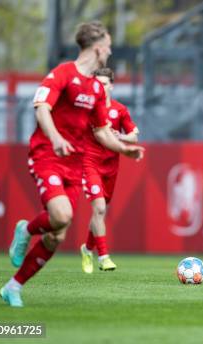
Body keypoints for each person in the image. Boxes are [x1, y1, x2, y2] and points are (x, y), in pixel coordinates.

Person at [1, 21, 144, 307]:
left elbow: (102, 132)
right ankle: (26, 231)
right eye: (109, 45)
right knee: (63, 215)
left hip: (75, 164)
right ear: (98, 47)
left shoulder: (95, 89)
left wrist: (125, 151)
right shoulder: (63, 73)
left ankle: (13, 287)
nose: (111, 51)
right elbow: (42, 107)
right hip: (48, 155)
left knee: (57, 235)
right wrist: (54, 138)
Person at [79, 67, 139, 274]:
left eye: (104, 84)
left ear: (111, 85)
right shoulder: (86, 109)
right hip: (89, 163)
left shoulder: (119, 110)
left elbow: (134, 135)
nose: (100, 88)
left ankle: (87, 248)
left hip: (111, 166)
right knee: (100, 208)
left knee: (100, 211)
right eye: (97, 84)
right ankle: (103, 256)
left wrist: (120, 136)